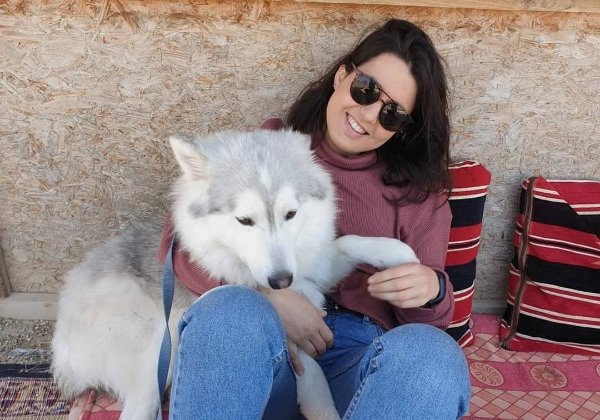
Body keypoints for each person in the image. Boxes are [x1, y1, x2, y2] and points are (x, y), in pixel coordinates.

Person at [161, 18, 471, 419]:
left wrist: (431, 289)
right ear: (343, 75)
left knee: (434, 356)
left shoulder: (419, 195)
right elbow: (181, 249)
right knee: (228, 313)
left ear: (402, 130)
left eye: (392, 114)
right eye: (366, 89)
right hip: (266, 349)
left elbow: (432, 321)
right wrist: (270, 298)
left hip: (361, 364)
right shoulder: (273, 147)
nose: (369, 114)